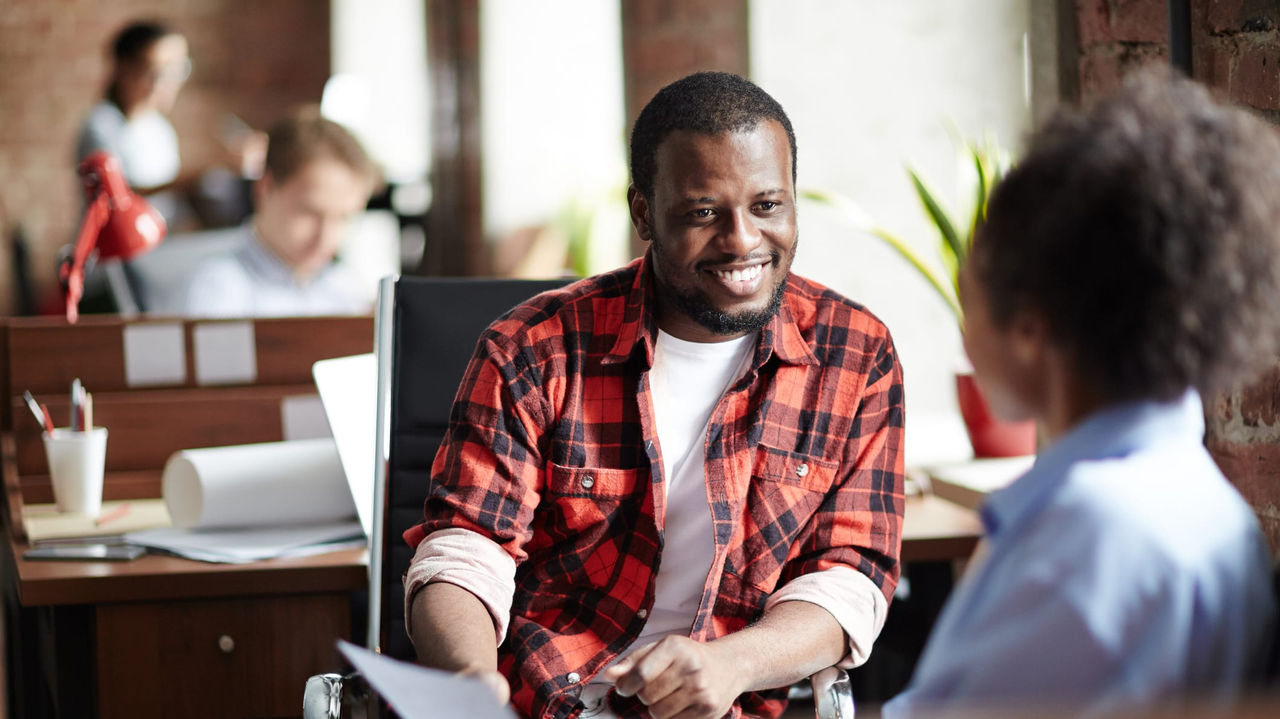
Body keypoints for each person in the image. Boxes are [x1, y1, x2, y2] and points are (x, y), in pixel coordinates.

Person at [402, 71, 906, 719]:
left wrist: (734, 663)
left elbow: (850, 575)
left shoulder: (855, 353)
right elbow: (465, 548)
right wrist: (468, 680)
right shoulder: (531, 344)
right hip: (542, 699)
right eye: (703, 213)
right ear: (644, 213)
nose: (743, 241)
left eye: (767, 205)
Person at [882, 69, 1280, 717]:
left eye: (969, 305)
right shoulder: (1194, 498)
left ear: (1031, 328)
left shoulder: (1090, 538)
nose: (964, 338)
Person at [181, 107, 380, 317]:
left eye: (344, 218)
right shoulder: (218, 292)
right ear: (265, 189)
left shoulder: (346, 290)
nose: (327, 237)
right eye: (310, 212)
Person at [75, 20, 265, 229]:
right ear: (125, 69)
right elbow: (118, 197)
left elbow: (171, 201)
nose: (168, 83)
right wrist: (207, 169)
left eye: (178, 70)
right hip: (115, 250)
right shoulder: (101, 125)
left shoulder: (159, 128)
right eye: (156, 71)